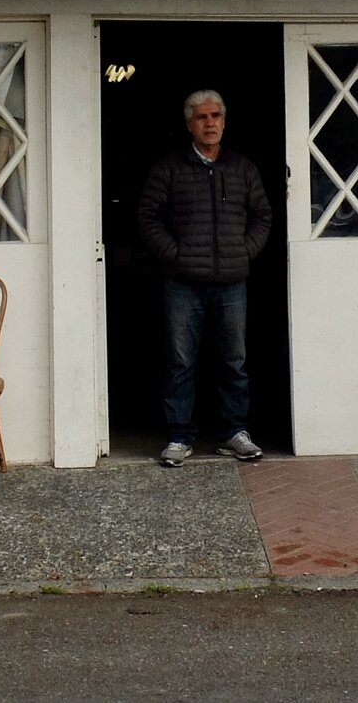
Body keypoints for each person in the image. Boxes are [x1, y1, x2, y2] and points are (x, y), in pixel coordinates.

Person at [137, 89, 272, 466]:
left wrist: (244, 251)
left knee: (234, 361)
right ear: (189, 124)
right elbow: (148, 218)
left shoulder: (243, 168)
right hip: (183, 281)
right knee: (181, 362)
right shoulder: (169, 169)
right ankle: (179, 436)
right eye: (201, 117)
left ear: (225, 122)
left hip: (232, 280)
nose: (209, 123)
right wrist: (176, 256)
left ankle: (234, 433)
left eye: (215, 116)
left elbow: (263, 216)